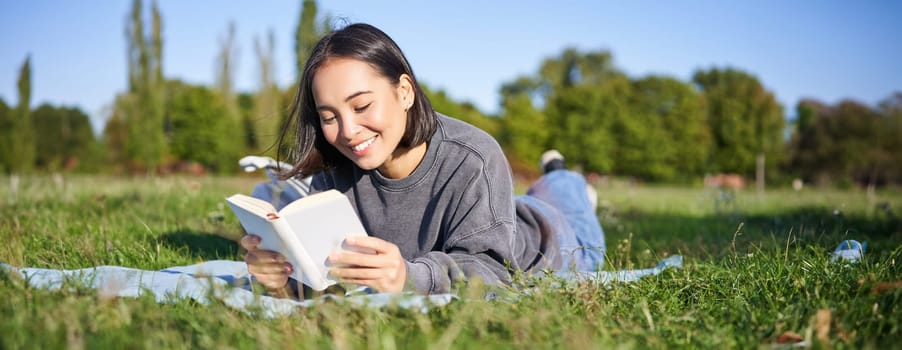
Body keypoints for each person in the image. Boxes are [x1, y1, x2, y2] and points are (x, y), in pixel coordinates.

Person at [240, 23, 601, 296]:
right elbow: (331, 276)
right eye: (329, 116)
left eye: (362, 105)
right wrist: (283, 276)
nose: (348, 131)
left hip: (549, 240)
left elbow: (493, 272)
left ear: (404, 92)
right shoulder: (334, 164)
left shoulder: (474, 156)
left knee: (564, 198)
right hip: (495, 212)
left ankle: (562, 175)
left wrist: (408, 277)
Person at [525, 150, 606, 271]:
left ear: (544, 168)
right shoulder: (579, 180)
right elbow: (591, 207)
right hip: (595, 256)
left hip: (556, 262)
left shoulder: (537, 187)